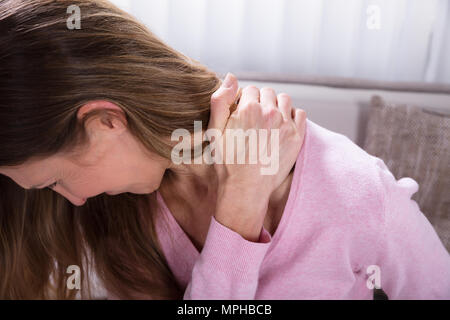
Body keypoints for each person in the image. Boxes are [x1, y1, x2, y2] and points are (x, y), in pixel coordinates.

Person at [1, 0, 449, 300]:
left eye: (55, 181)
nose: (72, 198)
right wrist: (240, 207)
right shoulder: (122, 207)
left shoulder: (356, 193)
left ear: (106, 122)